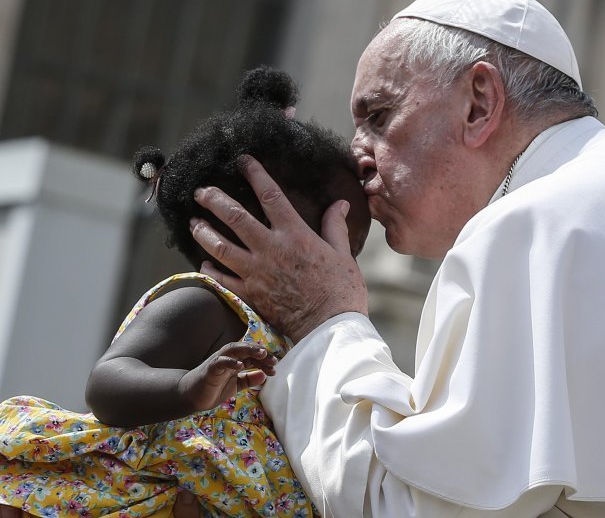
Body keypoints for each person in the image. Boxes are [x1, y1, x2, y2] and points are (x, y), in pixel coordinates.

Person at [188, 0, 605, 516]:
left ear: (479, 102)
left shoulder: (530, 226)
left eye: (379, 116)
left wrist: (321, 318)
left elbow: (407, 510)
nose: (358, 155)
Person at [0, 66, 371, 517]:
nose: (347, 270)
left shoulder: (311, 336)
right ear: (256, 232)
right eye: (341, 246)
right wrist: (187, 387)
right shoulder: (205, 306)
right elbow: (108, 383)